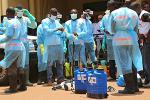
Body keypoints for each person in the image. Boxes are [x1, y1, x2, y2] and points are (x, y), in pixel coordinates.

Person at [110, 1, 143, 94]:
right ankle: (135, 86)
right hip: (132, 38)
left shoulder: (114, 13)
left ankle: (129, 87)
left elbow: (112, 29)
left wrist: (118, 30)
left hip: (119, 39)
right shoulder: (134, 13)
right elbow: (136, 29)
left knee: (124, 62)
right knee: (133, 61)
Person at [0, 7, 26, 93]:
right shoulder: (17, 21)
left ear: (7, 13)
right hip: (20, 46)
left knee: (11, 67)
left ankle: (13, 88)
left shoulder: (10, 22)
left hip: (12, 46)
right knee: (19, 67)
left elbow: (9, 36)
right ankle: (23, 86)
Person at [42, 8, 65, 86]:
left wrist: (61, 32)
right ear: (50, 13)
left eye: (56, 14)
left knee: (60, 62)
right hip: (50, 45)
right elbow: (47, 31)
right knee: (49, 64)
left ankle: (60, 79)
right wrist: (56, 29)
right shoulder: (45, 21)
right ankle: (50, 79)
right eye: (53, 14)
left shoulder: (57, 22)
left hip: (58, 44)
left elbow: (62, 32)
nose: (55, 16)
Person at [15, 6, 37, 86]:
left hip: (24, 43)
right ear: (16, 11)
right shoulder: (13, 19)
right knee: (17, 62)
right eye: (18, 11)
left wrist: (29, 15)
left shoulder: (25, 19)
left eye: (21, 11)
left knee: (26, 62)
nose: (20, 12)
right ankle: (17, 82)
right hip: (16, 43)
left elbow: (34, 26)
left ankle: (26, 81)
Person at [130, 2, 150, 87]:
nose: (133, 11)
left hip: (148, 39)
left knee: (146, 62)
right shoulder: (139, 16)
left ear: (138, 7)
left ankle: (149, 80)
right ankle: (147, 79)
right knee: (145, 61)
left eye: (133, 9)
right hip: (144, 40)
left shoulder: (144, 14)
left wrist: (148, 35)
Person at [99, 0, 117, 80]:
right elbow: (101, 26)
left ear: (114, 6)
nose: (108, 8)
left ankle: (120, 75)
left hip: (118, 38)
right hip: (109, 39)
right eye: (107, 6)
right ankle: (112, 75)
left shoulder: (117, 14)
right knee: (111, 57)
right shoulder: (105, 16)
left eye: (110, 6)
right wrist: (104, 30)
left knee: (119, 56)